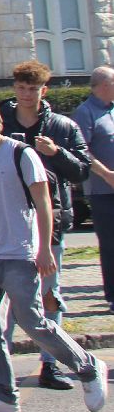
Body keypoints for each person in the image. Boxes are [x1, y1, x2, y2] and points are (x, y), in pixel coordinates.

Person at [0, 96, 107, 412]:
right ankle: (4, 396)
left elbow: (43, 203)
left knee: (32, 321)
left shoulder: (21, 154)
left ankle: (88, 366)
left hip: (19, 255)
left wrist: (44, 248)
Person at [0, 58, 91, 390]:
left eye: (32, 89)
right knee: (7, 297)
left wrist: (56, 153)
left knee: (50, 294)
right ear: (14, 89)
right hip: (7, 220)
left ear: (43, 91)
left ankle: (51, 364)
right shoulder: (0, 121)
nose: (26, 94)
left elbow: (83, 169)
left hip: (51, 221)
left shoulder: (62, 126)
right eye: (21, 88)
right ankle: (1, 367)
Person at [72, 64, 114, 313]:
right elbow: (82, 151)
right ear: (105, 85)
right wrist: (107, 175)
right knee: (111, 244)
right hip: (103, 191)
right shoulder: (85, 112)